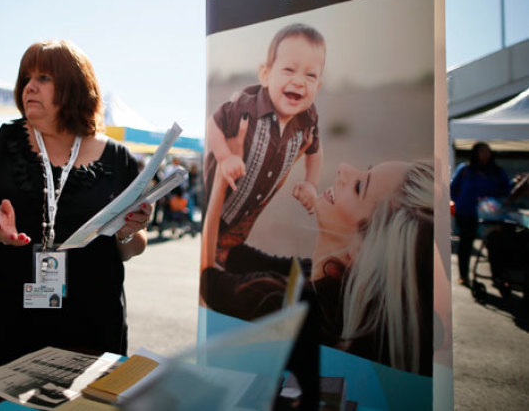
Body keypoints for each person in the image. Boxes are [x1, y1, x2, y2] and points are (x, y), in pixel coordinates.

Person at [0, 40, 153, 375]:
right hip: (2, 313)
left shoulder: (117, 158)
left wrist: (128, 231)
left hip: (92, 316)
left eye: (43, 78)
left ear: (75, 86)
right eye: (26, 78)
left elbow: (132, 247)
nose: (30, 87)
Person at [201, 160, 434, 376]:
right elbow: (231, 253)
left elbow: (206, 281)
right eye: (366, 169)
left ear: (366, 249)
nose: (343, 168)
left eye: (359, 186)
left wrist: (218, 187)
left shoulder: (285, 301)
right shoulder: (321, 280)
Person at [204, 23, 325, 267]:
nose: (299, 81)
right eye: (289, 70)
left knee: (232, 241)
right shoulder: (247, 106)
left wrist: (311, 183)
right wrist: (225, 157)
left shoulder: (307, 118)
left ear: (318, 86)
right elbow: (214, 122)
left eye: (310, 75)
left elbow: (315, 149)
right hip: (219, 196)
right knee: (215, 231)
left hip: (247, 212)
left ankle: (223, 255)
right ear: (266, 75)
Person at [449, 141, 511, 286]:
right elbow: (453, 188)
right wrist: (459, 202)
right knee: (466, 244)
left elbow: (506, 190)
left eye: (487, 151)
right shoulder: (465, 169)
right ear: (475, 153)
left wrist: (493, 202)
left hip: (490, 215)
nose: (485, 154)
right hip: (466, 213)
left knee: (494, 245)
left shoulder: (496, 171)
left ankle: (497, 276)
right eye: (482, 151)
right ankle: (463, 275)